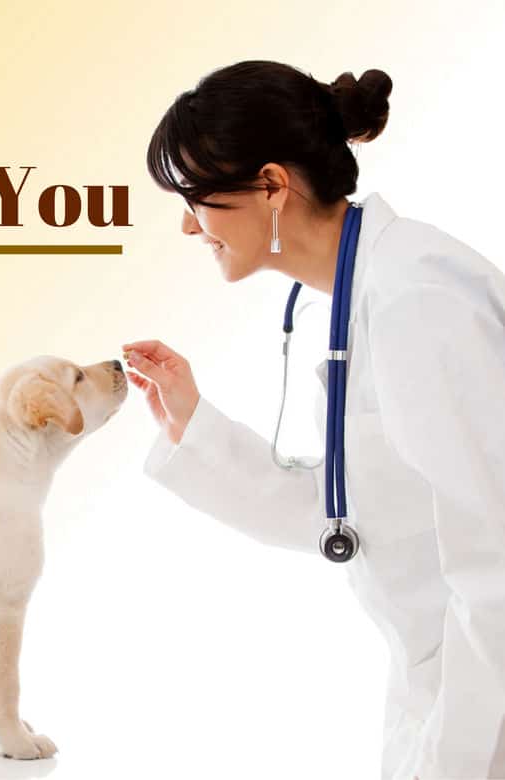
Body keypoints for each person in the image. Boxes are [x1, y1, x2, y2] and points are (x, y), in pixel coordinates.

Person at [125, 60, 505, 780]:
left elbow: (499, 569)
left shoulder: (415, 298)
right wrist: (192, 423)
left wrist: (452, 762)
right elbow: (348, 519)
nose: (186, 224)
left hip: (481, 711)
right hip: (446, 693)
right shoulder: (361, 293)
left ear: (272, 185)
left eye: (194, 196)